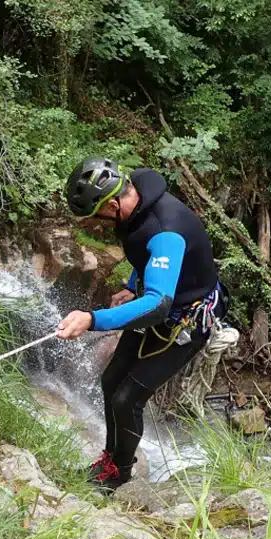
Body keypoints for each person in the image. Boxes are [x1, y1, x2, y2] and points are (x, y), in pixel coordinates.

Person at [56, 157, 229, 492]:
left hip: (186, 320)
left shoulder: (167, 231)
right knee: (111, 381)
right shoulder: (136, 204)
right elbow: (145, 255)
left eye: (96, 215)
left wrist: (91, 319)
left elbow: (157, 305)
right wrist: (132, 284)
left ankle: (118, 474)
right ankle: (110, 458)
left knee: (127, 398)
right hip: (163, 304)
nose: (96, 224)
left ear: (112, 205)